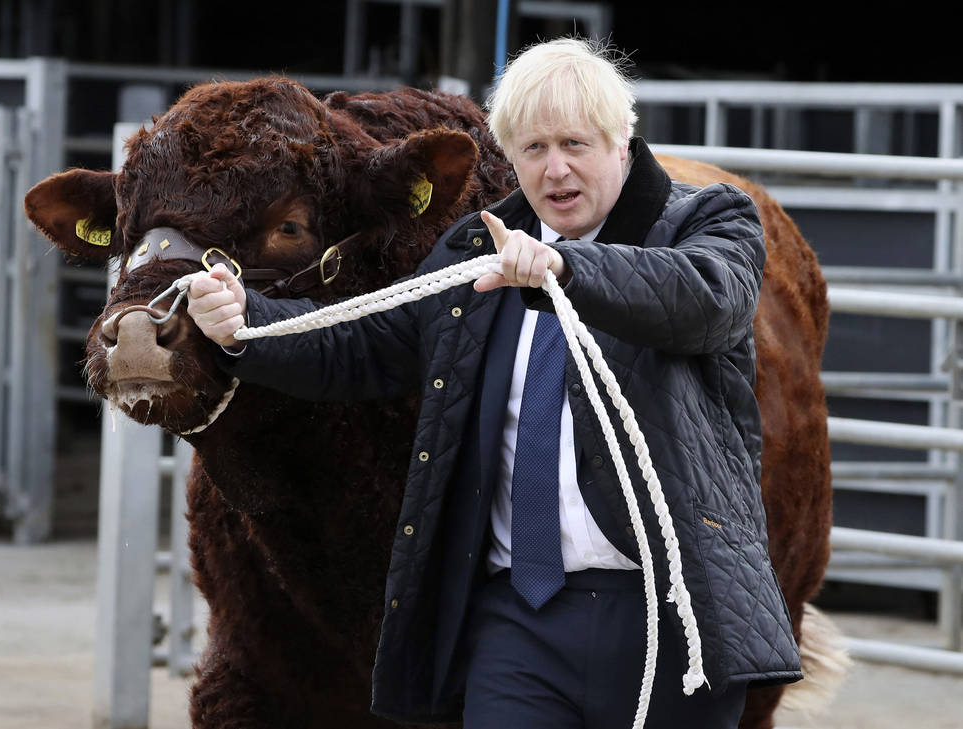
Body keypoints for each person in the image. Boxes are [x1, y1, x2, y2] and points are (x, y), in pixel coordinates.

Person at [187, 37, 801, 729]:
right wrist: (246, 323)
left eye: (575, 143)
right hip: (518, 621)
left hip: (670, 613)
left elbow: (703, 302)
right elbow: (363, 344)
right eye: (533, 149)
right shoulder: (477, 251)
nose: (556, 168)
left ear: (622, 142)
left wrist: (568, 271)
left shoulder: (709, 221)